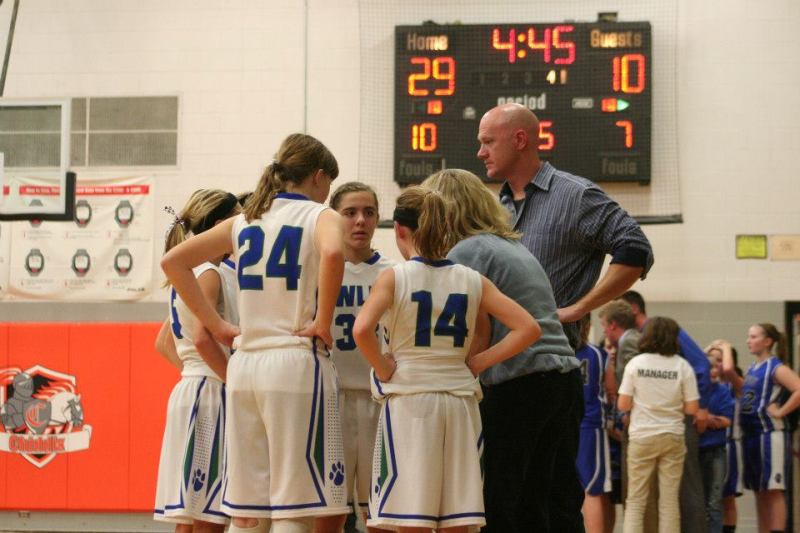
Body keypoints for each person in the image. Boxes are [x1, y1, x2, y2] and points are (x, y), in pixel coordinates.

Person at [161, 133, 349, 533]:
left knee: (247, 513)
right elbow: (334, 253)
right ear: (318, 177)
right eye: (329, 185)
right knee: (293, 508)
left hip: (245, 368)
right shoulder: (320, 215)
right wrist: (323, 321)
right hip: (295, 362)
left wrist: (218, 326)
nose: (328, 194)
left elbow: (173, 262)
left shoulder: (242, 221)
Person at [352, 185, 541, 533]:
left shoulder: (394, 276)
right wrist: (478, 363)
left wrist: (383, 366)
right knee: (457, 519)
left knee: (412, 518)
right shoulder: (472, 279)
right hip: (459, 403)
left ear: (400, 230)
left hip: (411, 401)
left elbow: (362, 330)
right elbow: (528, 328)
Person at [421, 169, 581, 533]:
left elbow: (475, 328)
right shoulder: (511, 246)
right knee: (549, 500)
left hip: (521, 382)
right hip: (563, 380)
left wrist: (470, 366)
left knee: (499, 499)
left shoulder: (468, 251)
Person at [476, 103, 653, 347]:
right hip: (498, 358)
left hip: (550, 358)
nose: (481, 153)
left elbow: (636, 248)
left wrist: (579, 308)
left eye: (488, 142)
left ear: (519, 140)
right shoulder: (497, 208)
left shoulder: (577, 196)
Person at [153, 189, 241, 532]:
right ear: (220, 225)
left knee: (190, 516)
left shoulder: (191, 272)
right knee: (209, 517)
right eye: (238, 218)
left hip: (192, 388)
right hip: (210, 393)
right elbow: (204, 338)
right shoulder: (209, 273)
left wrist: (196, 372)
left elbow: (163, 342)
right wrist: (234, 382)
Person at [314, 182, 394, 533]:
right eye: (350, 213)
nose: (360, 220)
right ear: (334, 217)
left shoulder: (393, 272)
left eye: (369, 212)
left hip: (380, 401)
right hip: (331, 400)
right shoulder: (317, 269)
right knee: (329, 510)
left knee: (381, 511)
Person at [619, 290, 711, 533]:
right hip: (672, 433)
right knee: (670, 503)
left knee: (635, 501)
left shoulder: (636, 364)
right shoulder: (682, 366)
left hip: (642, 435)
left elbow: (623, 405)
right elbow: (691, 407)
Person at [721, 324, 800, 533]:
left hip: (770, 435)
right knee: (760, 490)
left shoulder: (776, 367)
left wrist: (781, 411)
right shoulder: (753, 368)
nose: (748, 341)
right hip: (752, 435)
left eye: (753, 337)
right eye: (748, 336)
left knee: (773, 491)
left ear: (767, 341)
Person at [575, 316, 613, 533]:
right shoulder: (598, 354)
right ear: (588, 326)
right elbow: (612, 390)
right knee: (592, 490)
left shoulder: (556, 352)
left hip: (561, 425)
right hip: (590, 427)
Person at [706, 343, 744, 533]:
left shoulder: (734, 383)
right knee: (710, 499)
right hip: (708, 445)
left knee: (726, 498)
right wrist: (711, 349)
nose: (717, 364)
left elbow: (728, 369)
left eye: (720, 360)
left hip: (729, 445)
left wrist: (725, 346)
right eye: (713, 361)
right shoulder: (705, 385)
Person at [697, 354, 735, 533]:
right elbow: (691, 418)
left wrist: (706, 419)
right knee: (697, 501)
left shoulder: (723, 391)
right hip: (696, 451)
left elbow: (726, 420)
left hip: (716, 451)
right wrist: (711, 420)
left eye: (715, 367)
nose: (712, 371)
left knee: (714, 501)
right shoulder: (695, 391)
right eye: (708, 367)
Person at [597, 300, 640, 387]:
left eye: (603, 325)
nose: (604, 331)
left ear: (612, 324)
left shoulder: (628, 341)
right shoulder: (630, 339)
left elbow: (633, 380)